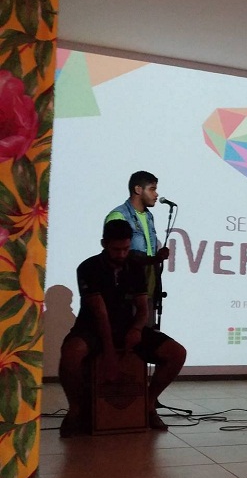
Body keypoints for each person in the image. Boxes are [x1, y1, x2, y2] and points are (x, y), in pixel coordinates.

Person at [58, 219, 187, 436]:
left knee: (177, 353)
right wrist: (109, 353)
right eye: (116, 249)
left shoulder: (134, 267)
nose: (121, 254)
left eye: (126, 249)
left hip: (127, 326)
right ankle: (76, 410)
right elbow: (100, 314)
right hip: (92, 327)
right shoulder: (88, 267)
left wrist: (136, 329)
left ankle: (147, 405)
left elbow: (142, 309)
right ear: (104, 244)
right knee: (71, 353)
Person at [105, 170, 170, 320]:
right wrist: (154, 259)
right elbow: (116, 256)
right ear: (138, 189)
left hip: (148, 289)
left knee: (147, 330)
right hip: (126, 291)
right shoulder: (119, 215)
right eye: (152, 189)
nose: (156, 194)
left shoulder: (148, 216)